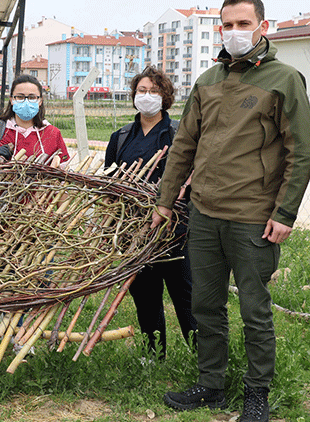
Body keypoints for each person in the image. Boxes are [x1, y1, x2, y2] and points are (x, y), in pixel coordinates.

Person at [152, 1, 310, 421]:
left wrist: (285, 213)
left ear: (263, 26)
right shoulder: (208, 80)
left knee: (254, 310)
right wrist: (165, 200)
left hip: (253, 217)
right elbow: (184, 145)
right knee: (205, 305)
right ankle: (211, 385)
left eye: (244, 23)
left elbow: (301, 152)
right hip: (204, 214)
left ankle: (256, 393)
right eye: (227, 24)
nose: (234, 31)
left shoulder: (284, 79)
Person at [105, 66, 197, 360]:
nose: (147, 97)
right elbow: (109, 182)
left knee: (186, 295)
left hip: (175, 230)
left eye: (154, 92)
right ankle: (153, 354)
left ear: (165, 97)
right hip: (136, 231)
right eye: (142, 91)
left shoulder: (179, 133)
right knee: (145, 295)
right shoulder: (120, 137)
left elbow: (196, 173)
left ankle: (202, 356)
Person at [0, 74, 70, 163]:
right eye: (20, 97)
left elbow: (64, 169)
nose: (26, 102)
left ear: (40, 101)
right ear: (12, 99)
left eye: (32, 97)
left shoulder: (53, 133)